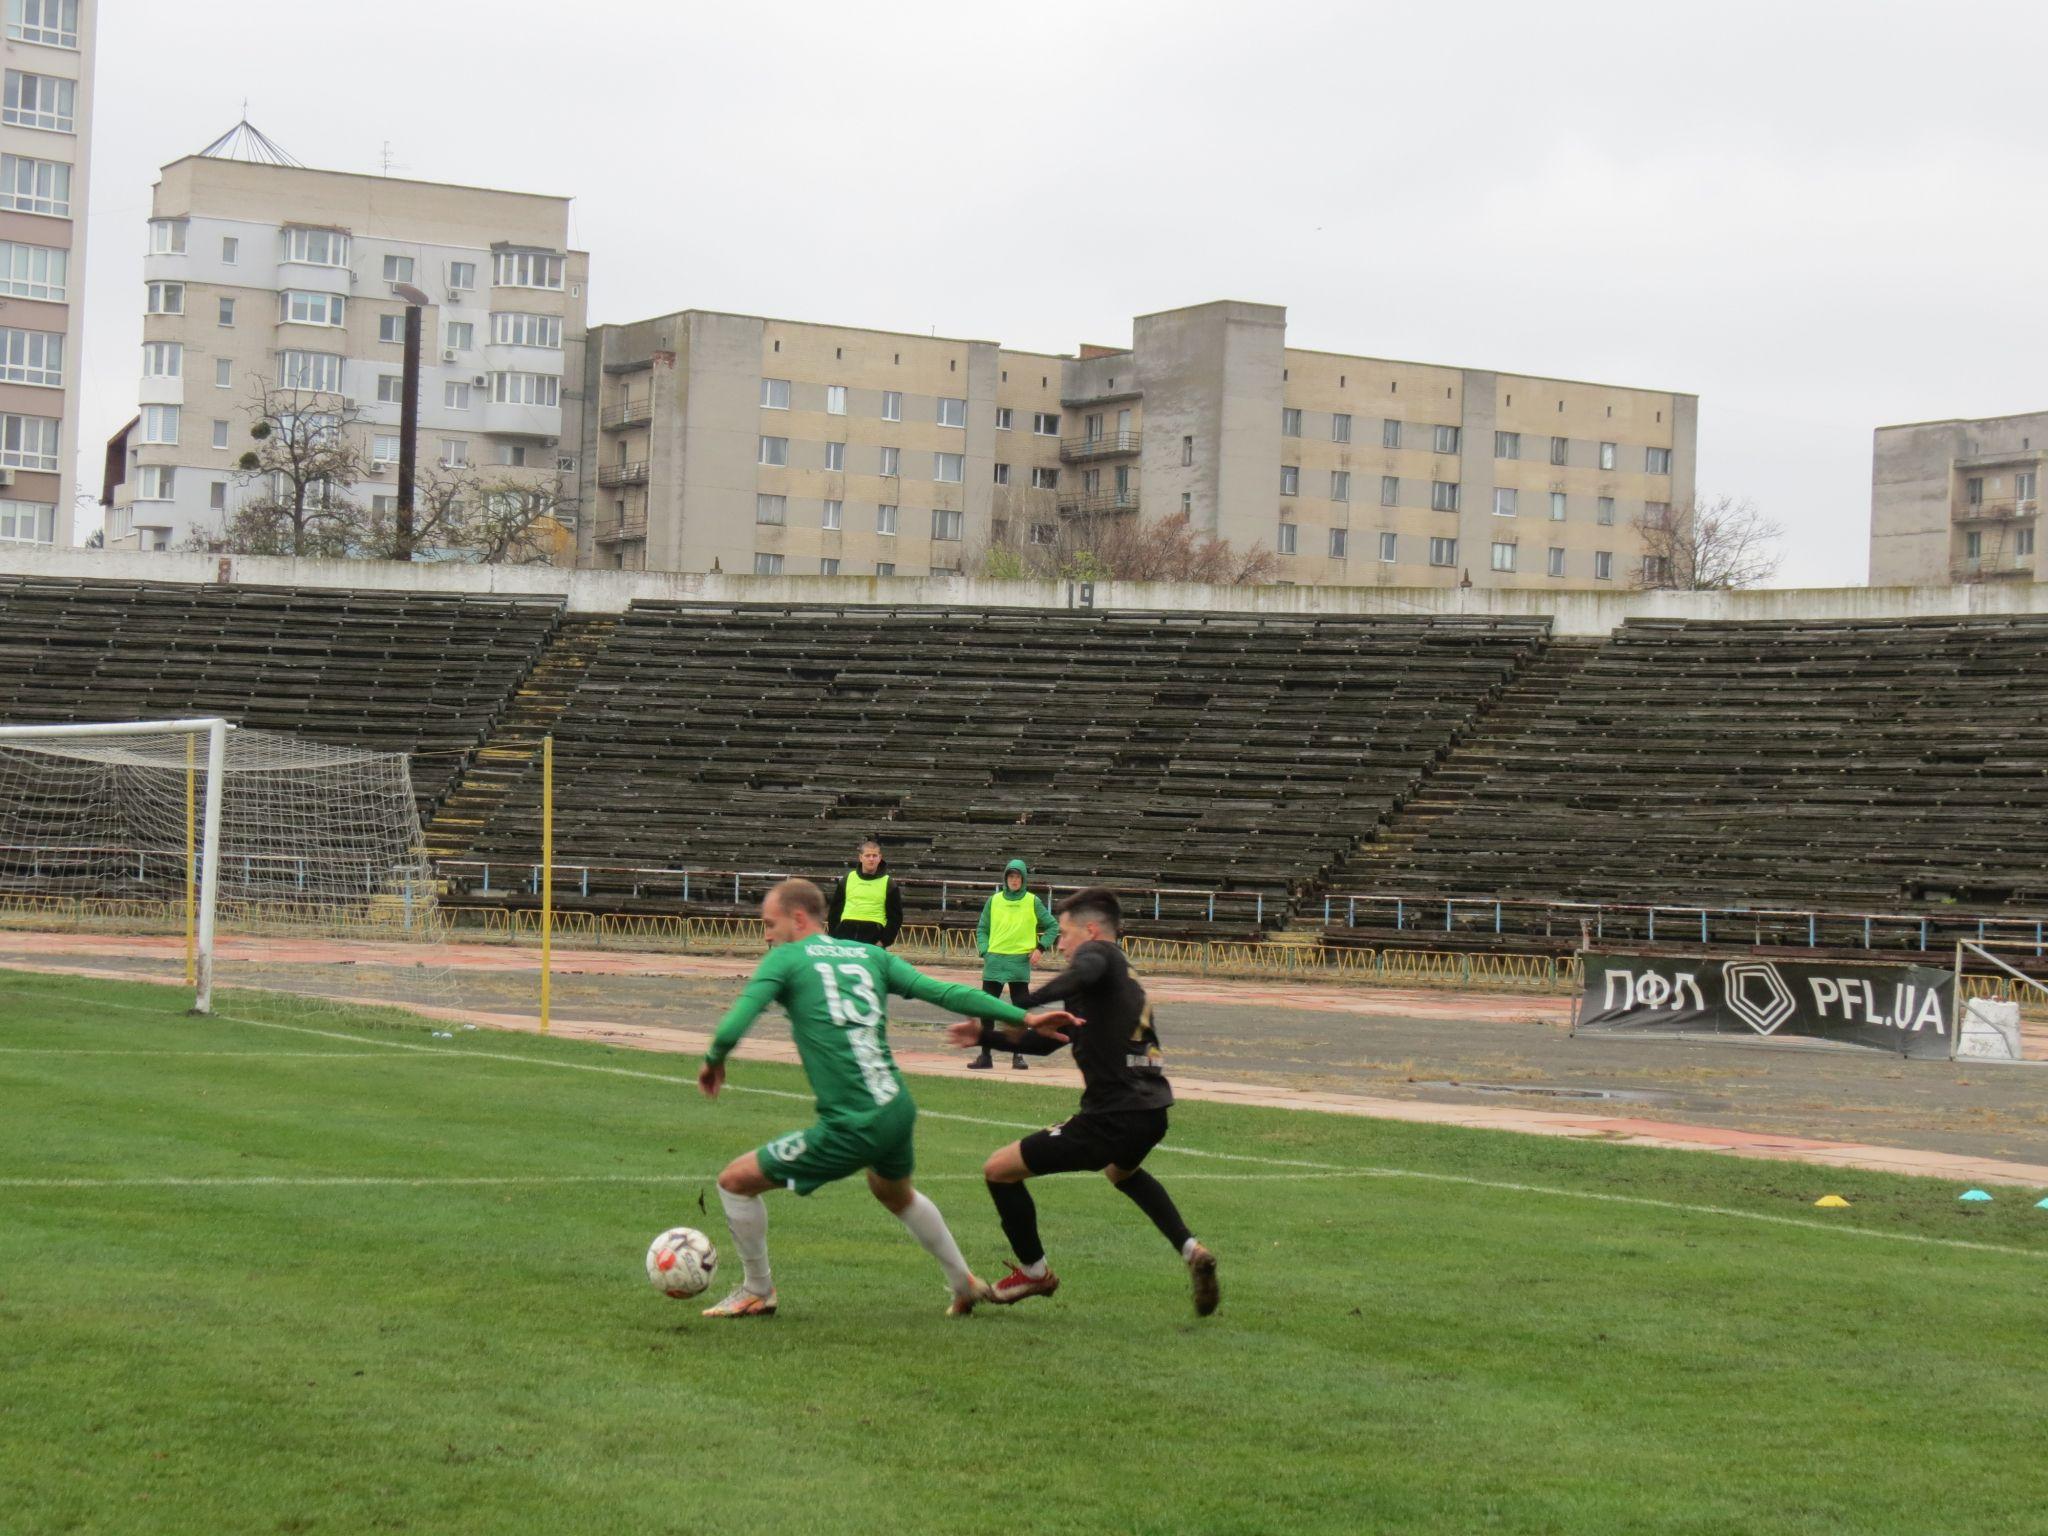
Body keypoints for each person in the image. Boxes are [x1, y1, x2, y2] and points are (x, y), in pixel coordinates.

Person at [697, 877, 1077, 1319]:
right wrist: (1026, 1017)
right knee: (894, 1193)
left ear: (797, 919)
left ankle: (757, 1290)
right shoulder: (870, 955)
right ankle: (965, 1284)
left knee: (734, 1182)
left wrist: (713, 1060)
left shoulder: (785, 959)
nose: (766, 935)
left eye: (769, 923)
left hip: (853, 1123)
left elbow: (732, 1025)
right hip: (896, 1109)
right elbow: (947, 992)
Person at [948, 886, 1219, 1317]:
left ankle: (1034, 1273)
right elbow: (1046, 1042)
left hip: (1113, 1115)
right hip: (1151, 1112)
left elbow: (1083, 970)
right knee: (1122, 1173)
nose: (1060, 944)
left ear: (1091, 931)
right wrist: (985, 1036)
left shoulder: (1098, 958)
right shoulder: (1115, 981)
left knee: (998, 1170)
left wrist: (1026, 1003)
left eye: (1064, 934)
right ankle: (1191, 1250)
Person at [968, 858, 1056, 1072]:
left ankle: (1018, 1055)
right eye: (1011, 876)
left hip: (1019, 963)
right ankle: (985, 1055)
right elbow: (982, 929)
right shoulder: (994, 900)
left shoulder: (1032, 901)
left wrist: (1040, 948)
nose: (1014, 880)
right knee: (986, 1010)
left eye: (1018, 876)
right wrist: (985, 950)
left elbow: (1053, 926)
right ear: (1005, 878)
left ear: (1023, 879)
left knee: (1019, 1012)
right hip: (995, 962)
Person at [827, 838, 902, 949]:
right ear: (861, 857)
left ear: (880, 858)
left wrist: (883, 941)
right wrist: (835, 936)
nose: (871, 859)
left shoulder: (889, 883)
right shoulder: (847, 879)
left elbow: (895, 918)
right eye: (867, 855)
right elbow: (834, 911)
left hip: (873, 942)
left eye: (874, 855)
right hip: (845, 939)